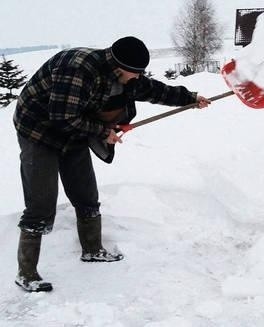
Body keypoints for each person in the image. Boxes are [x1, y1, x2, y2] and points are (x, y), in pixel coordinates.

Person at [13, 36, 211, 292]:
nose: (136, 79)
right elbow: (62, 117)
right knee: (41, 202)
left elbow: (153, 90)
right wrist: (102, 131)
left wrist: (190, 98)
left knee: (85, 193)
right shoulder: (78, 69)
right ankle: (26, 273)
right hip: (39, 131)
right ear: (118, 66)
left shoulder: (124, 76)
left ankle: (92, 250)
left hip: (75, 130)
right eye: (134, 74)